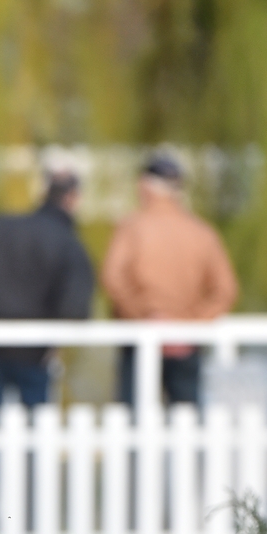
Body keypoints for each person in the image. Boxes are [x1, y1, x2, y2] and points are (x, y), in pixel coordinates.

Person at [0, 171, 94, 407]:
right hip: (35, 348)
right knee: (35, 423)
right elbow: (75, 305)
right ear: (72, 198)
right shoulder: (67, 241)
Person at [101, 152, 238, 407]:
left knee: (134, 421)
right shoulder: (202, 232)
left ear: (145, 185)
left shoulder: (132, 227)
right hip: (185, 344)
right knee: (187, 419)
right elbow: (225, 291)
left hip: (140, 337)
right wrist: (189, 325)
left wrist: (147, 317)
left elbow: (112, 277)